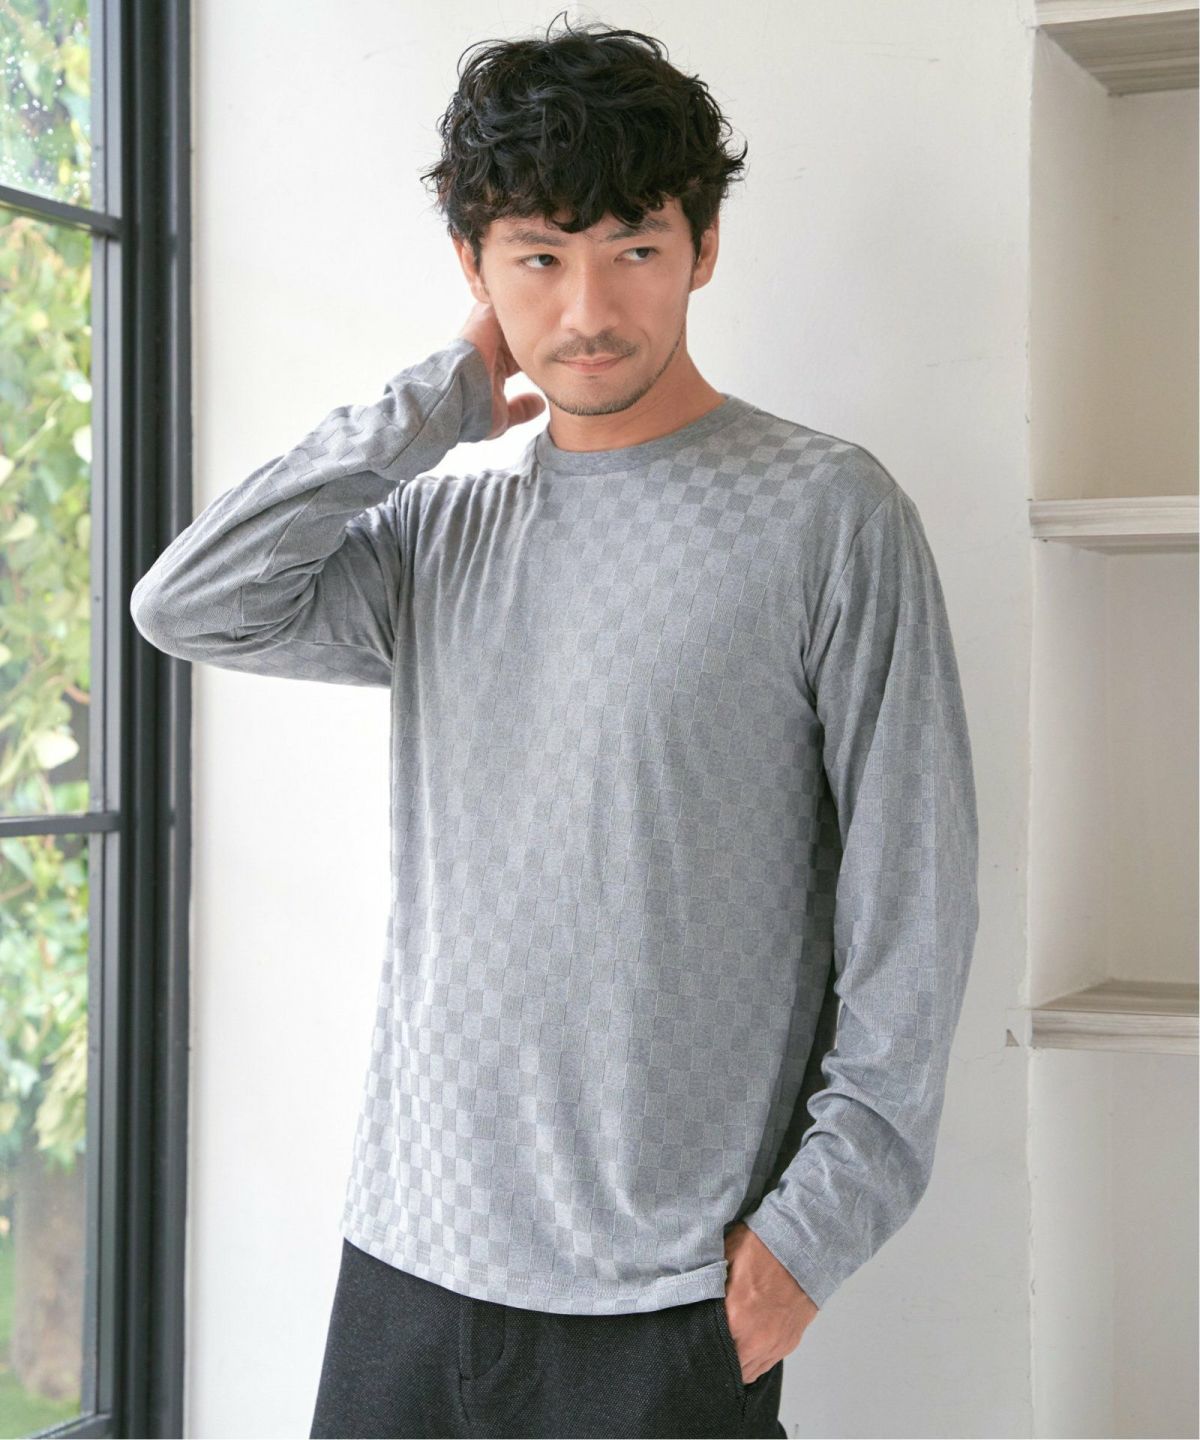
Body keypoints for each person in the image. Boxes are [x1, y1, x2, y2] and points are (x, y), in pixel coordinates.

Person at [129, 13, 980, 1439]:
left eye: (635, 248)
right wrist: (441, 401)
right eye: (537, 256)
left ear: (703, 246)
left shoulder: (830, 515)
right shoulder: (443, 526)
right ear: (473, 269)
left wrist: (808, 1242)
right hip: (406, 1264)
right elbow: (189, 601)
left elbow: (918, 904)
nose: (589, 308)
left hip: (668, 1300)